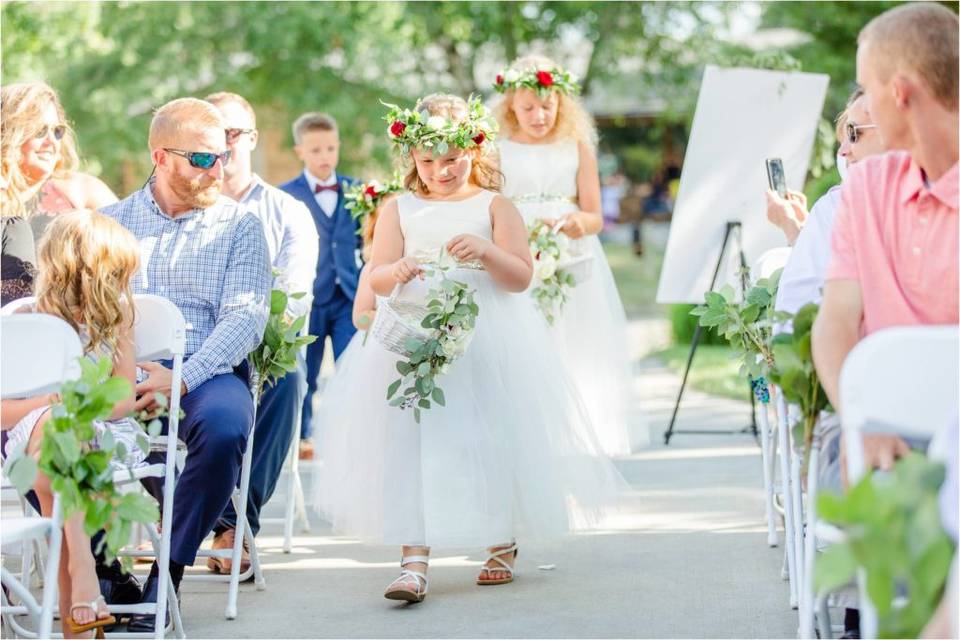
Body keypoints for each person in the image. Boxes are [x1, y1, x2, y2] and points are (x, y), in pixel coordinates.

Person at [313, 94, 623, 603]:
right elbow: (379, 276)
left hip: (487, 334)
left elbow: (520, 276)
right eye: (428, 159)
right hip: (417, 338)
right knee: (412, 440)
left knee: (489, 433)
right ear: (411, 156)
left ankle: (500, 538)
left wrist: (485, 249)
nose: (441, 170)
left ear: (475, 149)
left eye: (452, 158)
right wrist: (399, 270)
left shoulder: (496, 206)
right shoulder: (399, 208)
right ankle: (414, 560)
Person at [102, 97, 271, 632]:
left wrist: (183, 378)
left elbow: (245, 320)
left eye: (221, 156)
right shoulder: (108, 226)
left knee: (224, 430)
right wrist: (126, 379)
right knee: (33, 432)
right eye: (202, 159)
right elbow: (90, 316)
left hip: (206, 373)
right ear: (161, 156)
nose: (218, 168)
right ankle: (107, 576)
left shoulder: (240, 226)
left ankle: (166, 574)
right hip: (120, 374)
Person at [1, 211, 146, 638]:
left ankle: (79, 597)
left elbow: (121, 399)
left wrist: (81, 405)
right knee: (55, 428)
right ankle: (84, 581)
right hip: (34, 435)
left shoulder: (117, 321)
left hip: (101, 434)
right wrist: (47, 402)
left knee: (58, 460)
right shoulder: (22, 321)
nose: (124, 284)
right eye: (119, 274)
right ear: (89, 272)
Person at [493, 55, 641, 456]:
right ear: (511, 105)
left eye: (547, 105)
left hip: (569, 256)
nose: (539, 115)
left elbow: (595, 214)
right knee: (525, 343)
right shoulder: (498, 149)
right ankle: (527, 438)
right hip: (518, 252)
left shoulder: (576, 146)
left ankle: (571, 444)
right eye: (529, 107)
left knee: (570, 347)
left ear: (561, 103)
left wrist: (580, 221)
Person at [203, 91, 319, 574]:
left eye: (232, 133)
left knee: (288, 377)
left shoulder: (287, 211)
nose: (224, 145)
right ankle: (206, 517)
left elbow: (292, 300)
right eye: (212, 136)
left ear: (250, 137)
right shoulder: (184, 209)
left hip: (261, 348)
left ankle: (233, 525)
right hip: (197, 351)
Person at [279, 113, 360, 460]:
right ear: (300, 152)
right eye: (316, 150)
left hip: (348, 295)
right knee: (306, 373)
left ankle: (351, 433)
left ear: (338, 146)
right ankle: (302, 437)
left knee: (353, 368)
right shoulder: (286, 195)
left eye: (330, 148)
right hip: (309, 297)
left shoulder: (359, 190)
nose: (324, 156)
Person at [1, 82, 117, 305]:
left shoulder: (82, 190)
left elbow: (126, 250)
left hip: (68, 319)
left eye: (57, 131)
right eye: (39, 131)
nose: (51, 142)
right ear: (9, 133)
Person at [772, 89, 886, 316]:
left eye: (853, 133)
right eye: (841, 141)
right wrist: (798, 233)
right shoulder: (834, 206)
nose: (843, 152)